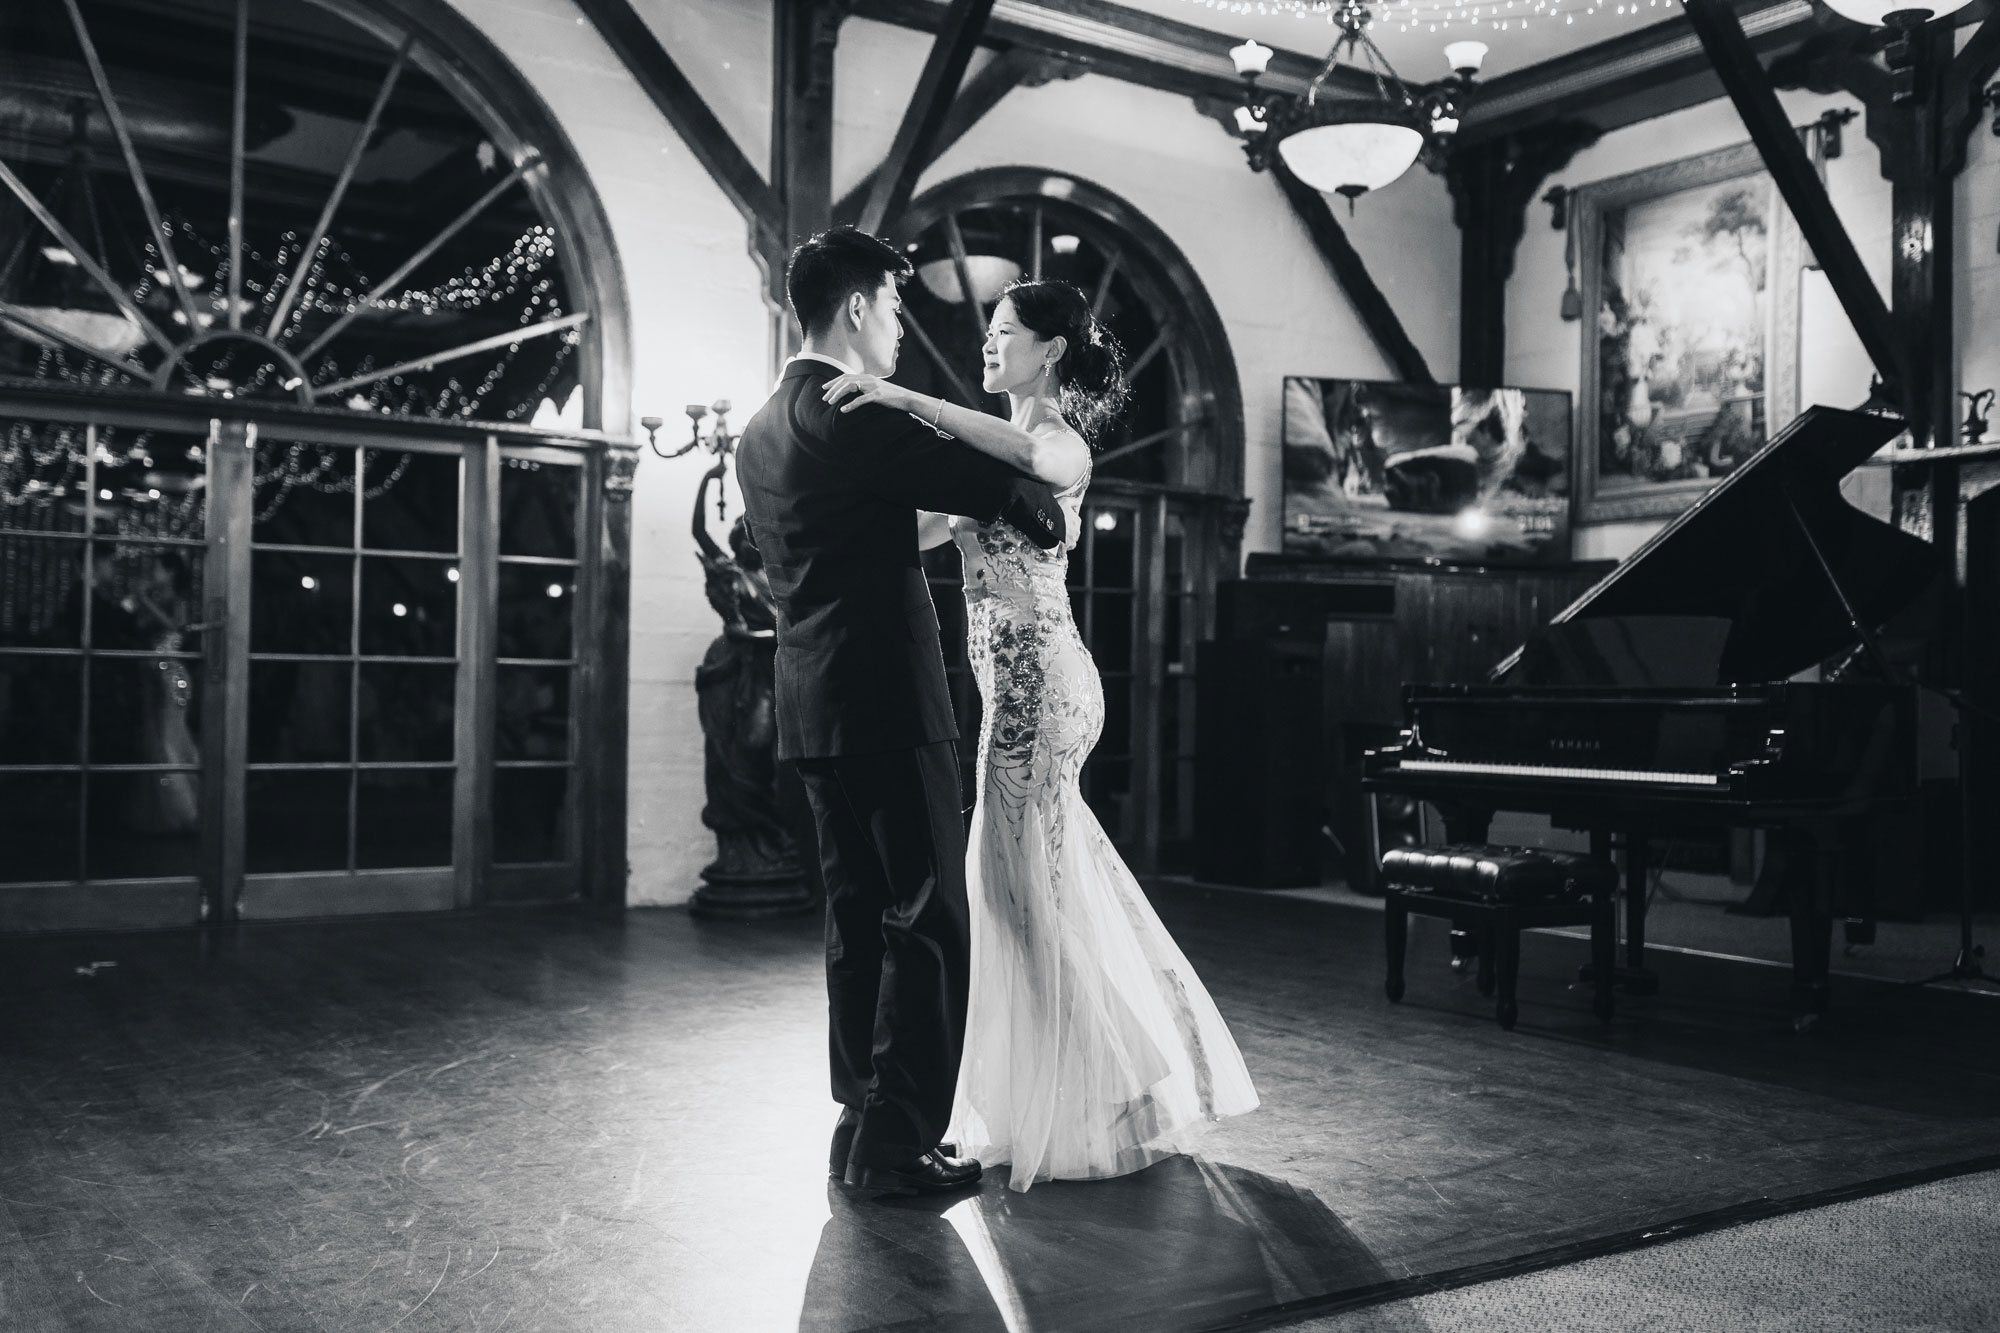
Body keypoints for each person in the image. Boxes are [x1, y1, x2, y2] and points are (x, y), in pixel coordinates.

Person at [822, 280, 1259, 1193]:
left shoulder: (1059, 441)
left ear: (1050, 351)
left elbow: (1028, 453)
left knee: (1019, 892)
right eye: (987, 332)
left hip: (1045, 691)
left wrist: (905, 397)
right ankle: (1110, 1075)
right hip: (1008, 696)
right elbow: (919, 530)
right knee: (1022, 893)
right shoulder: (978, 459)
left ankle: (1124, 1079)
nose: (988, 346)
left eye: (1005, 333)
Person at [735, 228, 1063, 1199]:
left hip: (810, 707)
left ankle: (859, 1116)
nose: (896, 329)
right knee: (926, 918)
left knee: (854, 918)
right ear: (853, 310)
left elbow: (843, 533)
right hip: (887, 696)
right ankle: (898, 1144)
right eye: (890, 306)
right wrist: (1035, 507)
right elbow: (1012, 485)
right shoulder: (853, 413)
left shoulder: (762, 426)